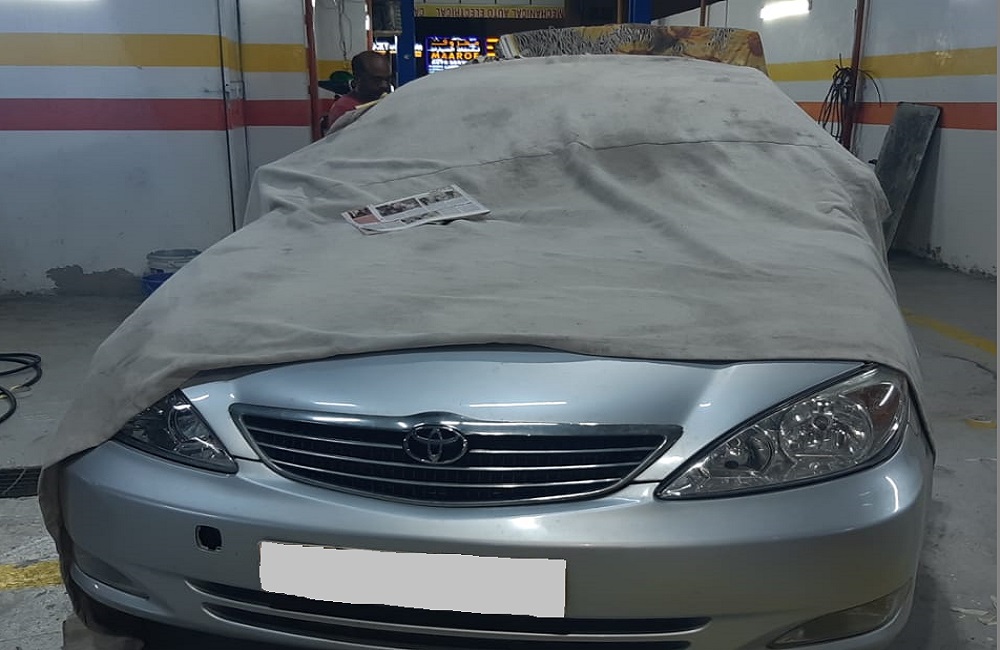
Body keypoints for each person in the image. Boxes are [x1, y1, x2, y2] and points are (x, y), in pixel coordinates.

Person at [323, 51, 393, 134]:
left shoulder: (384, 102)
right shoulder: (345, 110)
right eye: (377, 80)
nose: (384, 85)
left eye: (387, 79)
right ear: (357, 78)